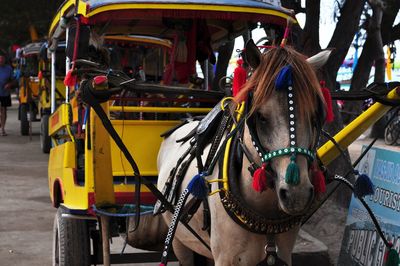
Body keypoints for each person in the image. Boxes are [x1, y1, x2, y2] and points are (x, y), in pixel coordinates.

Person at [0, 55, 14, 136]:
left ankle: (2, 129)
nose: (0, 62)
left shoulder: (8, 69)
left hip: (5, 93)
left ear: (4, 61)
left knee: (3, 110)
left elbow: (13, 80)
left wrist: (9, 84)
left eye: (2, 60)